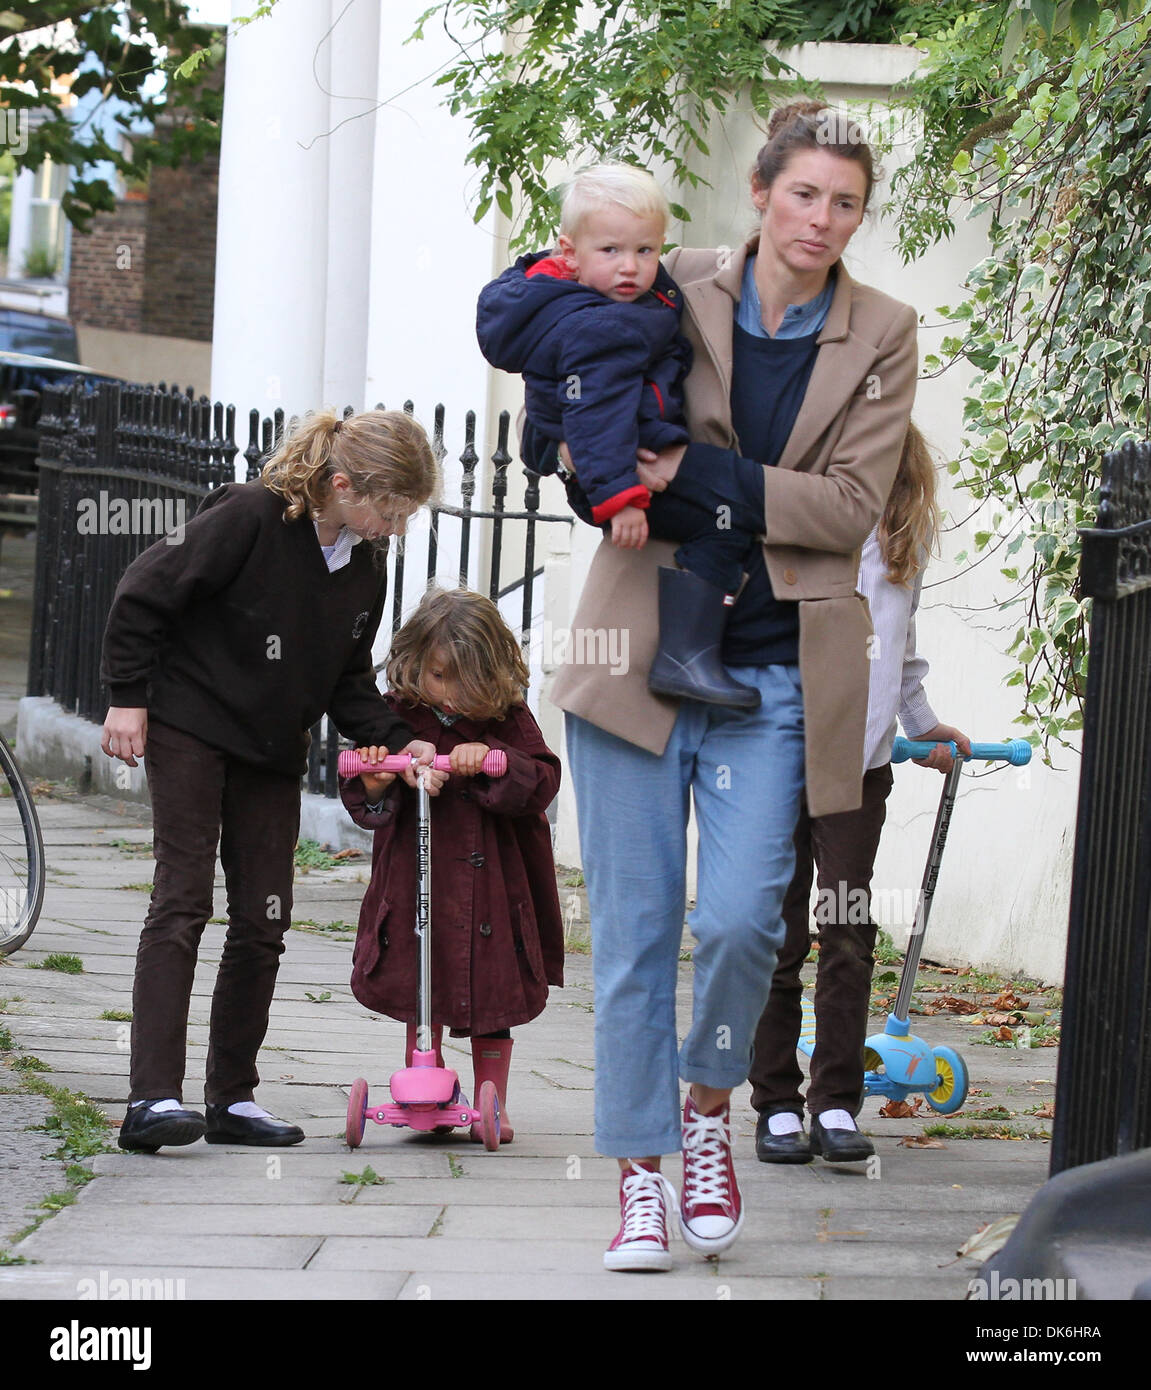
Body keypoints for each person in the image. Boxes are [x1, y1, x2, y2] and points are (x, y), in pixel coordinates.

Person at [549, 99, 920, 1271]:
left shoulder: (884, 330)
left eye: (845, 202)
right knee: (636, 931)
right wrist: (585, 453)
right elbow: (554, 368)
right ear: (760, 191)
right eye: (804, 193)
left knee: (746, 918)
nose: (821, 218)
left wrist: (694, 474)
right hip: (629, 657)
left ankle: (706, 1114)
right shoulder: (668, 281)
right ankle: (638, 1178)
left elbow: (850, 510)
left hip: (772, 668)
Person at [100, 408, 440, 1153]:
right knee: (182, 899)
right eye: (391, 509)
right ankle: (152, 1098)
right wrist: (128, 697)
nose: (399, 526)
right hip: (190, 724)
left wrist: (401, 742)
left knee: (264, 918)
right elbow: (142, 592)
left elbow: (348, 680)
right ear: (344, 485)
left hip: (269, 750)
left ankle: (232, 1098)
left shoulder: (363, 563)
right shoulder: (249, 516)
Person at [750, 422, 971, 1165]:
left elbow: (900, 654)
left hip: (861, 768)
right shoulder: (805, 534)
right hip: (783, 757)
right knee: (777, 934)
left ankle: (834, 1103)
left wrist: (924, 726)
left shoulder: (900, 546)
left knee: (845, 931)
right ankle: (775, 1103)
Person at [477, 163, 762, 709]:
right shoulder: (601, 325)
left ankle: (689, 651)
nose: (631, 267)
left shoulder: (597, 299)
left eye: (646, 251)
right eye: (611, 251)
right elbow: (595, 413)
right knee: (727, 524)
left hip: (617, 465)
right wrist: (620, 499)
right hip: (612, 480)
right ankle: (686, 655)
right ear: (569, 252)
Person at [340, 587, 563, 1143]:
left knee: (495, 990)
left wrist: (493, 763)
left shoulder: (508, 718)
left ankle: (495, 1101)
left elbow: (541, 778)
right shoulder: (397, 716)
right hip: (418, 884)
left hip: (493, 890)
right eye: (439, 676)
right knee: (423, 978)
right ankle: (428, 1082)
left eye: (467, 679)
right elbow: (368, 795)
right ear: (416, 663)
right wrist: (376, 777)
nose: (452, 693)